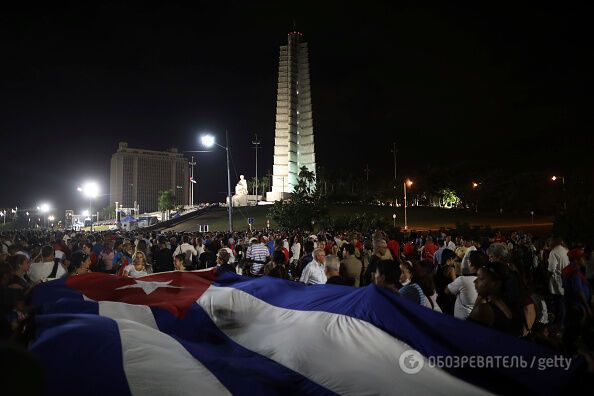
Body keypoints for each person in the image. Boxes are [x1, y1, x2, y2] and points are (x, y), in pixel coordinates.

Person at [468, 261, 523, 336]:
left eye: (480, 279)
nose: (475, 281)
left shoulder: (482, 311)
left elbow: (467, 334)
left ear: (496, 284)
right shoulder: (511, 304)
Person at [445, 250, 485, 320]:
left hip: (462, 321)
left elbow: (447, 291)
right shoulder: (487, 281)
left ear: (470, 263)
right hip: (478, 320)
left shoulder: (462, 280)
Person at [547, 237, 569, 331]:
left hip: (557, 282)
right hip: (566, 279)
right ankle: (562, 322)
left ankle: (559, 324)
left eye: (549, 243)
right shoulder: (565, 249)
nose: (548, 245)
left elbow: (551, 269)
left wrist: (546, 278)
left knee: (559, 304)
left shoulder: (554, 252)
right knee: (563, 302)